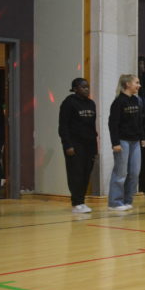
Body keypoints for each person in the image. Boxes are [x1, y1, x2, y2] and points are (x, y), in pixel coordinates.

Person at [58, 78, 97, 213]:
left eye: (87, 87)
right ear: (75, 89)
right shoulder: (69, 103)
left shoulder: (91, 103)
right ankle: (76, 202)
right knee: (76, 173)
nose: (87, 89)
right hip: (75, 144)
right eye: (83, 87)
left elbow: (92, 127)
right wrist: (67, 145)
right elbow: (63, 126)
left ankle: (82, 201)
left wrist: (95, 147)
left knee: (86, 173)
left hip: (89, 144)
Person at [107, 74, 145, 210]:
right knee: (121, 172)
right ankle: (115, 202)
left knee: (134, 172)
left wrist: (142, 137)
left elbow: (139, 121)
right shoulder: (119, 102)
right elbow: (113, 124)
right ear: (128, 84)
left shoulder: (137, 100)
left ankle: (128, 200)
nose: (139, 85)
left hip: (135, 141)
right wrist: (115, 143)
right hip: (122, 141)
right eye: (137, 83)